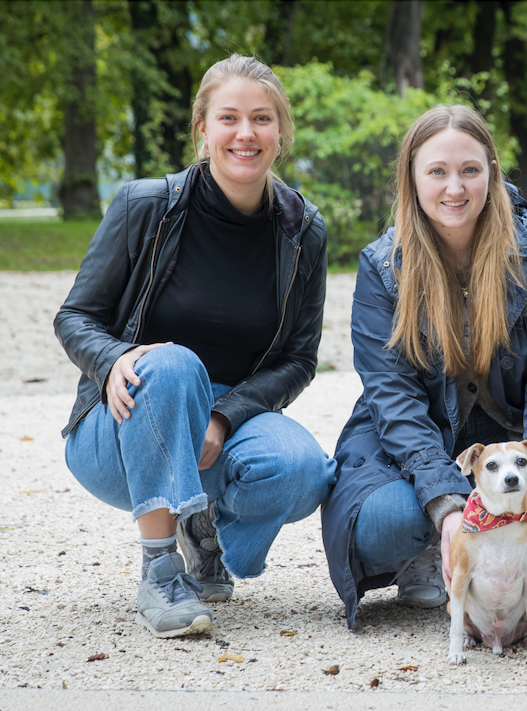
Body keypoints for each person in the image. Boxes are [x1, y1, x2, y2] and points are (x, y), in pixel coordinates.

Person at [54, 54, 337, 639]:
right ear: (202, 129)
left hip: (226, 416)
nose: (245, 133)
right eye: (228, 117)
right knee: (176, 363)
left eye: (262, 119)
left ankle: (204, 534)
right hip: (124, 418)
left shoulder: (303, 229)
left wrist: (224, 416)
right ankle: (159, 568)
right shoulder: (144, 206)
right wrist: (110, 361)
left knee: (304, 468)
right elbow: (75, 316)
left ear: (280, 133)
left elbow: (299, 359)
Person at [320, 105, 527, 629]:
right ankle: (429, 544)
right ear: (412, 178)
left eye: (470, 170)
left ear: (491, 170)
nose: (455, 188)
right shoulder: (382, 265)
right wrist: (447, 507)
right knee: (386, 523)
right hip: (415, 442)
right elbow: (392, 396)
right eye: (437, 172)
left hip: (506, 446)